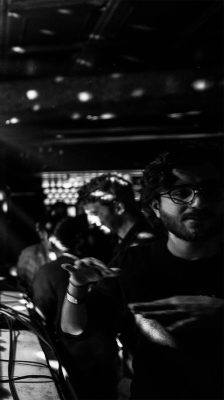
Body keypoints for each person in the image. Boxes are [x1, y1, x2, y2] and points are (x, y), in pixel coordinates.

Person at [60, 147, 223, 399]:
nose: (199, 203)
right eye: (181, 193)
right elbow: (74, 328)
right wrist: (76, 287)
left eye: (210, 191)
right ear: (156, 206)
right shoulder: (134, 262)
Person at [32, 216, 119, 399]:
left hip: (70, 363)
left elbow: (40, 321)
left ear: (54, 242)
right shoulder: (107, 270)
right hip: (106, 364)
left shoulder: (48, 271)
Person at [77, 173, 155, 262]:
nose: (91, 221)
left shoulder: (143, 244)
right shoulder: (118, 240)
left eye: (94, 213)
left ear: (118, 208)